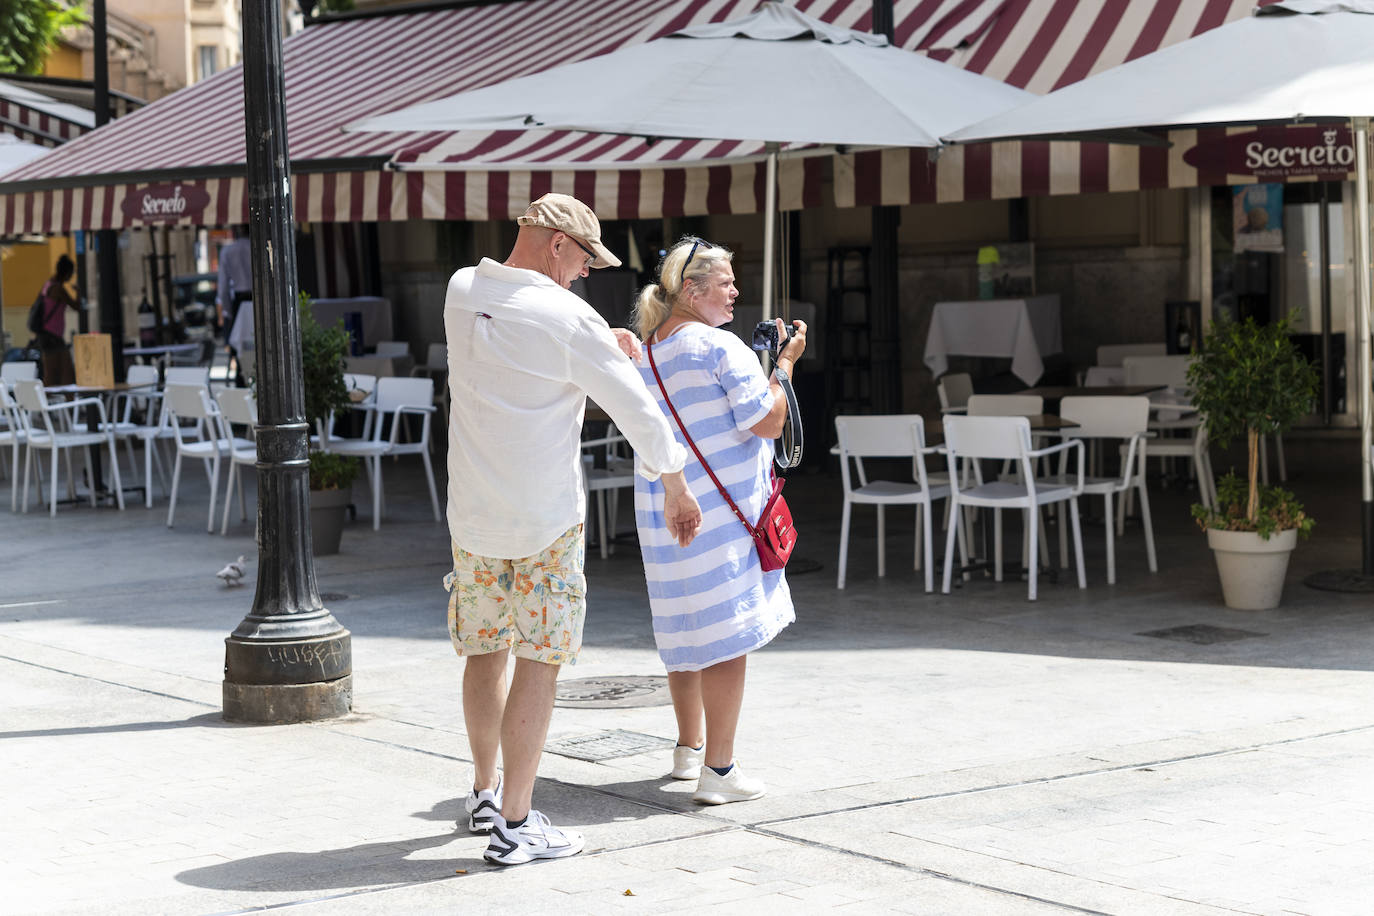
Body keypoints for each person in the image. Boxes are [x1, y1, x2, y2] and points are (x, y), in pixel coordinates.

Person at [442, 193, 702, 866]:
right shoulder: (568, 316)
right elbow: (636, 409)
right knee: (540, 660)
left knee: (484, 650)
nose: (587, 271)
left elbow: (527, 355)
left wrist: (594, 345)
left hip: (473, 514)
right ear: (558, 244)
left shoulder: (462, 291)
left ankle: (483, 794)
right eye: (585, 257)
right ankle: (516, 826)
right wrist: (675, 484)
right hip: (544, 519)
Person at [630, 237, 806, 805]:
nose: (736, 292)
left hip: (666, 511)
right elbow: (766, 422)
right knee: (727, 639)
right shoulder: (719, 347)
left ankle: (687, 752)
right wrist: (782, 367)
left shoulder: (646, 350)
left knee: (685, 633)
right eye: (727, 282)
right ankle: (720, 771)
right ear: (692, 289)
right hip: (719, 513)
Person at [35, 254, 80, 386]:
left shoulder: (48, 284)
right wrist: (78, 292)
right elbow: (76, 306)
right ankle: (68, 404)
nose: (71, 276)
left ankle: (47, 404)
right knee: (66, 372)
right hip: (53, 336)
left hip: (46, 335)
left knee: (52, 373)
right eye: (71, 273)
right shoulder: (58, 289)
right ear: (66, 273)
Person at [216, 226, 252, 385]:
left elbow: (223, 288)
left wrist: (228, 312)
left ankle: (241, 381)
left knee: (240, 348)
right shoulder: (259, 246)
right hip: (258, 298)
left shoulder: (228, 251)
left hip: (239, 301)